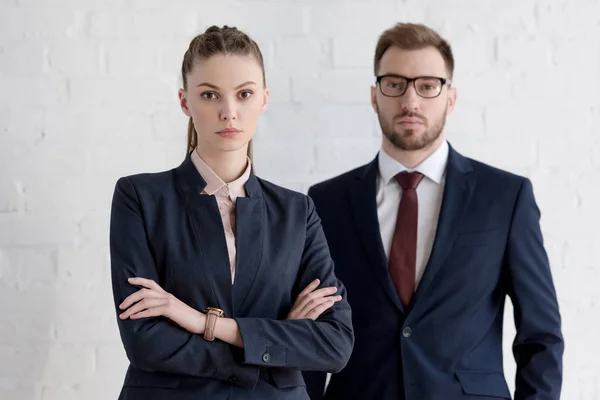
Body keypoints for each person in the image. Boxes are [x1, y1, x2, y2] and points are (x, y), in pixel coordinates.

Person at [303, 22, 563, 400]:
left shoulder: (505, 197)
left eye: (427, 86)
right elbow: (310, 331)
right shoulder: (325, 202)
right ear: (375, 96)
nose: (410, 101)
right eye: (395, 84)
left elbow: (541, 336)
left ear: (450, 98)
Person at [109, 25, 353, 400]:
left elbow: (334, 345)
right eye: (210, 95)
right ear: (184, 101)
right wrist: (273, 342)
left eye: (244, 94)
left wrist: (198, 321)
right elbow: (145, 341)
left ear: (264, 99)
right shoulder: (140, 197)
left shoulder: (296, 211)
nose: (229, 112)